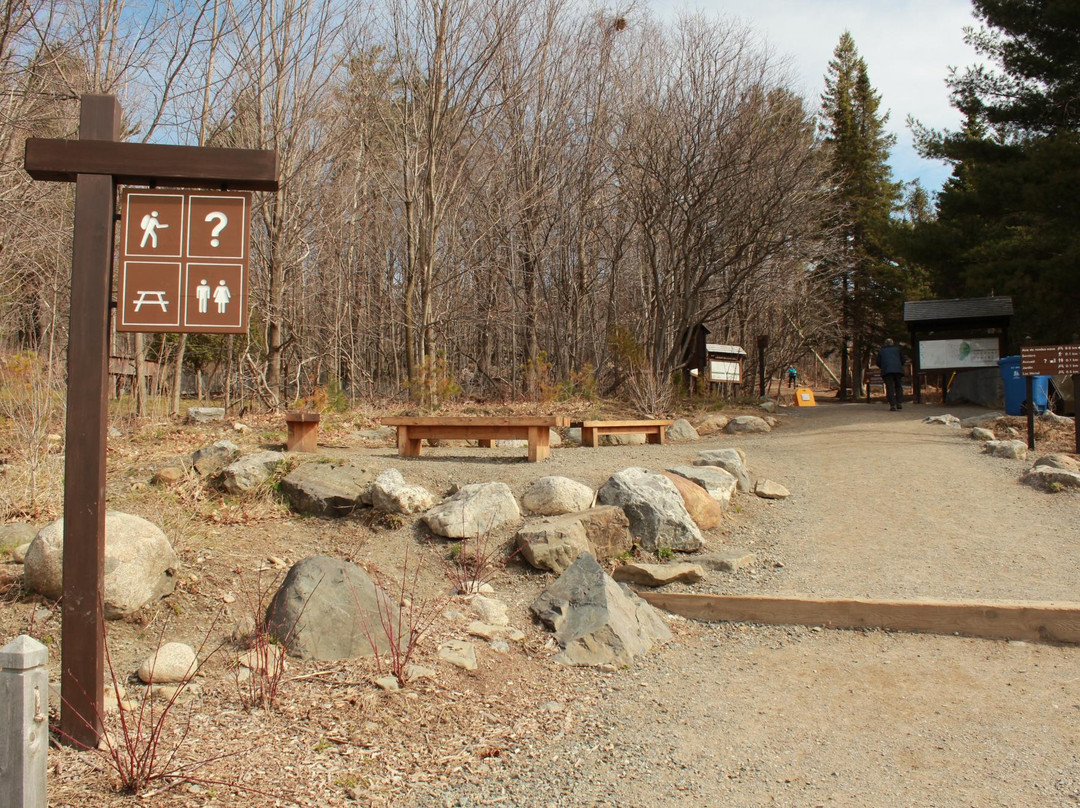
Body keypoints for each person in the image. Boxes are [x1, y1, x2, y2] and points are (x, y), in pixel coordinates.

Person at [877, 338, 905, 411]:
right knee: (898, 386)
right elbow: (903, 360)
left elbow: (878, 362)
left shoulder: (881, 351)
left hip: (887, 371)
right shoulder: (897, 349)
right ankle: (899, 402)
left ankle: (892, 405)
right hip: (898, 370)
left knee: (890, 387)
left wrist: (883, 366)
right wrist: (899, 365)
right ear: (892, 343)